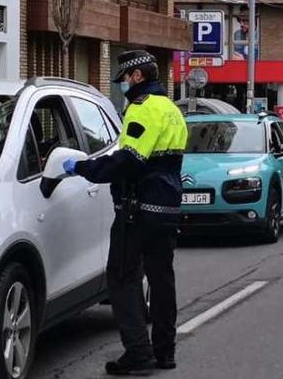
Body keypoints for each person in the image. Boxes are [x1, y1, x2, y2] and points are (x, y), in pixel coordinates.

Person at [62, 50, 188, 375]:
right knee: (162, 280)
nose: (123, 86)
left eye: (124, 80)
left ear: (137, 77)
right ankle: (165, 352)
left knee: (122, 277)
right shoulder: (172, 109)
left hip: (139, 209)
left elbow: (130, 159)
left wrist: (83, 168)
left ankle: (138, 353)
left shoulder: (142, 109)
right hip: (168, 207)